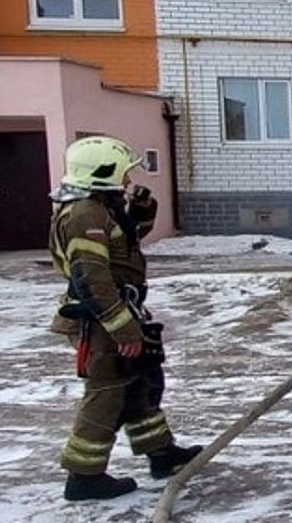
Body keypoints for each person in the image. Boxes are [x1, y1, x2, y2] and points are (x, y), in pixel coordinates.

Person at [48, 136, 200, 502]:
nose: (128, 181)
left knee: (141, 383)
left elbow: (123, 246)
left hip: (119, 310)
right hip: (102, 319)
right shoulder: (85, 214)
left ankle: (160, 452)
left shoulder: (99, 208)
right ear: (103, 173)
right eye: (124, 174)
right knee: (107, 393)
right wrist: (122, 328)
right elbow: (91, 278)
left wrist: (141, 213)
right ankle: (84, 476)